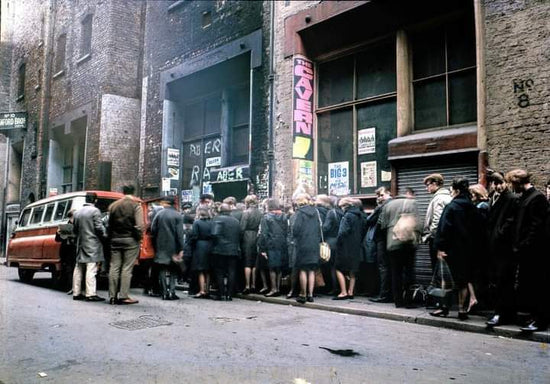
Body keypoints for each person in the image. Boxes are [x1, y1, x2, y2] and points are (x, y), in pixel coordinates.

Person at [432, 177, 483, 320]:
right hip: (468, 251)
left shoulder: (452, 207)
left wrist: (440, 248)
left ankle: (444, 308)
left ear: (457, 190)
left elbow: (443, 229)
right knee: (463, 280)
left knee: (447, 281)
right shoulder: (472, 207)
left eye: (451, 190)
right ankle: (462, 310)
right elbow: (479, 230)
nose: (451, 192)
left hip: (452, 250)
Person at [506, 169, 549, 332]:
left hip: (535, 253)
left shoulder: (536, 197)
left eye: (511, 183)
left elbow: (536, 227)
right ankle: (534, 317)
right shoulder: (524, 197)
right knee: (529, 287)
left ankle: (540, 320)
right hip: (524, 251)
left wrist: (523, 245)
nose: (511, 187)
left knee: (538, 286)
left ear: (517, 182)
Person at [485, 172, 519, 327]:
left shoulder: (511, 199)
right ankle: (505, 313)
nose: (497, 186)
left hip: (504, 248)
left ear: (506, 182)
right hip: (494, 248)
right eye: (494, 183)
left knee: (504, 282)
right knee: (498, 281)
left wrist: (499, 234)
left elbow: (511, 221)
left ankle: (502, 314)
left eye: (500, 183)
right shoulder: (493, 197)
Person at [378, 192, 420, 308]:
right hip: (409, 243)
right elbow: (418, 223)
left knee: (395, 273)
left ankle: (398, 301)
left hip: (393, 243)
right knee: (409, 272)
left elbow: (382, 225)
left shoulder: (388, 205)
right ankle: (408, 301)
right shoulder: (412, 203)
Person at [107, 185, 143, 305]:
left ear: (123, 192)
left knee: (114, 267)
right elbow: (139, 226)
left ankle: (112, 296)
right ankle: (123, 296)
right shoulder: (136, 205)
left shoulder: (113, 206)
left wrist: (111, 237)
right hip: (130, 240)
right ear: (133, 192)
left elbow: (109, 225)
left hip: (115, 239)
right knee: (127, 268)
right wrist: (139, 238)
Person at [72, 192, 107, 302]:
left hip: (80, 243)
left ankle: (76, 292)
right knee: (91, 269)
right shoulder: (95, 211)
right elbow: (99, 228)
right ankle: (90, 293)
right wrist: (105, 235)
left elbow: (75, 230)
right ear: (95, 200)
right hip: (92, 244)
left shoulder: (77, 213)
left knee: (78, 268)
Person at [150, 195, 185, 300]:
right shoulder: (178, 215)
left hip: (160, 245)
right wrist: (181, 248)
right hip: (173, 246)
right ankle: (172, 292)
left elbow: (153, 229)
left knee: (162, 269)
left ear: (165, 203)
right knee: (173, 269)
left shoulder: (159, 214)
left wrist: (155, 242)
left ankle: (164, 292)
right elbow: (180, 234)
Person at [332, 198, 366, 300]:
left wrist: (338, 243)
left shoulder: (347, 216)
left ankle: (343, 292)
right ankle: (351, 292)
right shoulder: (361, 216)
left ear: (344, 206)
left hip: (345, 246)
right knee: (352, 270)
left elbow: (342, 232)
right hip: (356, 246)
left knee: (338, 268)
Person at [291, 193, 321, 304]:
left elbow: (296, 229)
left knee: (303, 269)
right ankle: (310, 295)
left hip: (303, 243)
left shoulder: (300, 213)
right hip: (314, 243)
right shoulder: (316, 212)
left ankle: (302, 294)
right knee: (312, 270)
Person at [257, 198, 288, 297]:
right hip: (282, 243)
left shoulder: (266, 218)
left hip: (271, 244)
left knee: (272, 268)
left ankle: (273, 289)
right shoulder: (284, 216)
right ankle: (278, 288)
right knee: (278, 267)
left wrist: (262, 248)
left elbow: (264, 234)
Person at [211, 203, 241, 301]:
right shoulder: (236, 221)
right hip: (233, 250)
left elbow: (215, 234)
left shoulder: (217, 219)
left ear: (221, 210)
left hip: (220, 250)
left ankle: (221, 293)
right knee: (232, 271)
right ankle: (229, 294)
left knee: (219, 271)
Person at [422, 173, 452, 271]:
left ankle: (440, 286)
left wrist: (432, 235)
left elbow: (437, 220)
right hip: (446, 238)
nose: (427, 188)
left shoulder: (439, 199)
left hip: (437, 239)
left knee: (438, 268)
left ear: (435, 183)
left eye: (428, 185)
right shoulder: (448, 196)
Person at [369, 187, 393, 303]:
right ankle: (389, 293)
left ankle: (384, 294)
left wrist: (377, 207)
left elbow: (369, 220)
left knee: (383, 267)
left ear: (389, 193)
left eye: (381, 195)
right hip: (391, 239)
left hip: (382, 239)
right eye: (378, 196)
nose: (379, 198)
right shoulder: (394, 204)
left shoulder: (383, 206)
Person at [240, 195, 262, 294]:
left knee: (247, 262)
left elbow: (242, 228)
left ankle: (247, 285)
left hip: (247, 237)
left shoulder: (246, 213)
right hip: (256, 237)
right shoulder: (260, 213)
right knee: (254, 263)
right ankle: (254, 284)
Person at [189, 207, 213, 298]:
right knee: (208, 270)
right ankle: (207, 290)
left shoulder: (197, 222)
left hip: (200, 246)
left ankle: (202, 290)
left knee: (201, 270)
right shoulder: (212, 222)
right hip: (210, 245)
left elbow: (194, 236)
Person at [322, 196, 343, 295]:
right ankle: (340, 287)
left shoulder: (331, 212)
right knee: (338, 266)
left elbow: (326, 227)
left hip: (331, 241)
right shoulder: (342, 212)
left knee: (331, 267)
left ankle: (334, 288)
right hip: (340, 241)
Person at [55, 209, 76, 293]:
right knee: (68, 269)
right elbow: (57, 239)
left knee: (73, 269)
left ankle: (73, 287)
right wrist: (58, 233)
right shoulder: (64, 226)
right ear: (70, 217)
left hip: (74, 249)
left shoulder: (77, 225)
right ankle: (69, 286)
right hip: (67, 251)